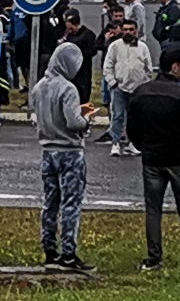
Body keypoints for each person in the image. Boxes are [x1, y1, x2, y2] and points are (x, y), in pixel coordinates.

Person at [130, 54, 180, 270]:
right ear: (174, 67)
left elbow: (133, 128)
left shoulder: (141, 93)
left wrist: (143, 147)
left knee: (153, 208)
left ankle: (154, 257)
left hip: (153, 157)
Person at [32, 42, 97, 272]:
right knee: (71, 203)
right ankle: (68, 253)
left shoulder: (39, 87)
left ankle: (49, 248)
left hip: (48, 151)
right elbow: (73, 122)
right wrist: (86, 118)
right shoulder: (68, 88)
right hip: (70, 152)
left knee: (50, 202)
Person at [102, 19, 155, 157]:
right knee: (117, 116)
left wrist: (145, 84)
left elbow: (148, 68)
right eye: (125, 29)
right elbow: (108, 66)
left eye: (131, 29)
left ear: (136, 31)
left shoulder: (143, 47)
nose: (128, 32)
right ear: (121, 30)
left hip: (137, 89)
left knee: (135, 118)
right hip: (119, 87)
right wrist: (112, 82)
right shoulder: (115, 46)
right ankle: (116, 143)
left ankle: (132, 144)